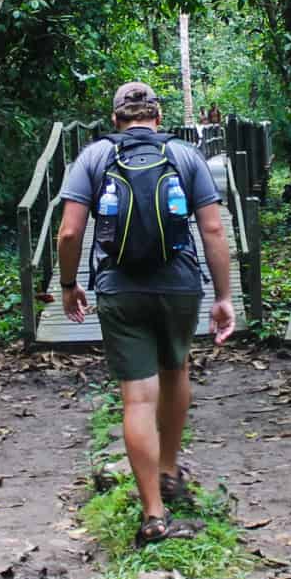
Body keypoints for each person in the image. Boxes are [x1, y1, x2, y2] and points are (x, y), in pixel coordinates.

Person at [56, 81, 236, 545]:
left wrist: (70, 284)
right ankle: (170, 468)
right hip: (178, 285)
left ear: (115, 119)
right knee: (175, 370)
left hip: (119, 287)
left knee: (137, 397)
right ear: (158, 118)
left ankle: (153, 512)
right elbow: (213, 229)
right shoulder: (185, 156)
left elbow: (69, 234)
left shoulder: (94, 157)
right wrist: (223, 296)